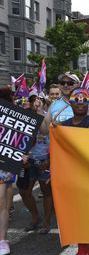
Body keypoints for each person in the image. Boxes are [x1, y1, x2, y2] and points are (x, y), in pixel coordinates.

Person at [60, 88, 89, 255]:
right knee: (77, 214)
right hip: (72, 178)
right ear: (71, 103)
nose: (80, 103)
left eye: (84, 100)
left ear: (88, 102)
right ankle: (82, 247)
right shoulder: (64, 125)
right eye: (76, 100)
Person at [18, 94, 53, 234]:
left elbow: (50, 135)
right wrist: (21, 157)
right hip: (28, 161)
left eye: (38, 100)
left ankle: (46, 222)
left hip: (44, 160)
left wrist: (49, 160)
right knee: (23, 191)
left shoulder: (46, 117)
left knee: (46, 192)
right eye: (32, 100)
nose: (35, 103)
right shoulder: (24, 116)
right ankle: (35, 217)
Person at [0, 87, 17, 255]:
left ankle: (2, 239)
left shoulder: (14, 114)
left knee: (1, 201)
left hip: (4, 162)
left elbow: (20, 136)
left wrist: (20, 153)